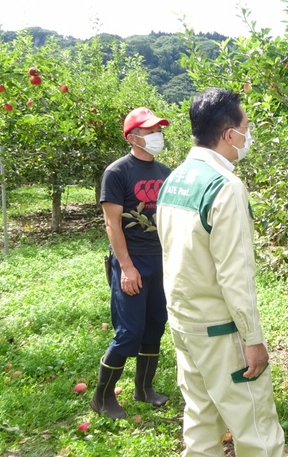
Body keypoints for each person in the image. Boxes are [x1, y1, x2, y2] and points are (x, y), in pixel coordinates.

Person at [156, 88, 285, 457]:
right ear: (229, 134)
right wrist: (253, 338)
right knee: (257, 430)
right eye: (246, 127)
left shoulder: (175, 180)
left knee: (200, 421)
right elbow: (235, 274)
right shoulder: (225, 187)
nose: (248, 135)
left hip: (185, 325)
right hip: (220, 330)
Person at [92, 107, 172, 420]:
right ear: (134, 136)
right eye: (151, 131)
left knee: (155, 325)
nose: (157, 136)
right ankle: (102, 397)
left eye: (158, 130)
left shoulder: (165, 173)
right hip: (132, 261)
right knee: (129, 332)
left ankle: (143, 388)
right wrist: (126, 267)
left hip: (160, 261)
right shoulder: (117, 173)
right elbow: (112, 224)